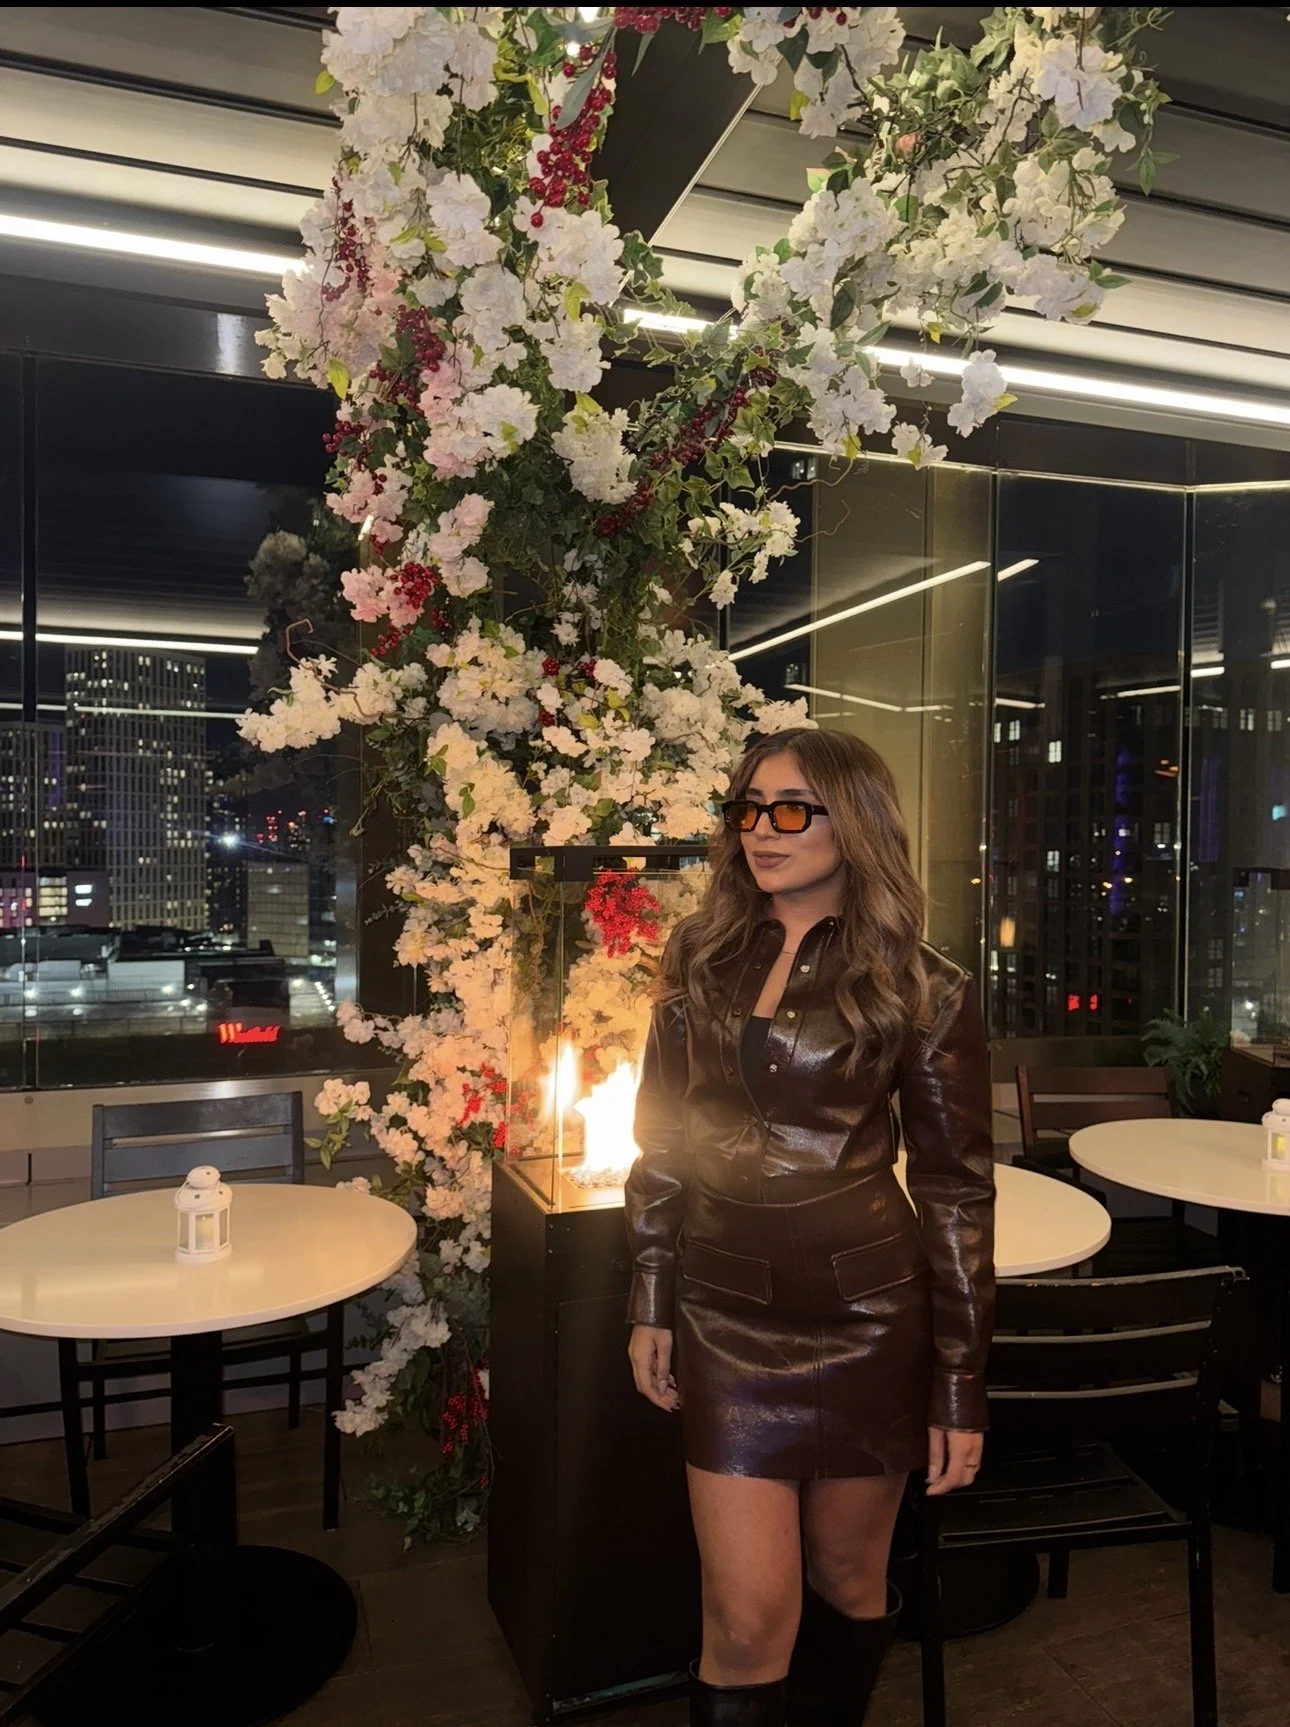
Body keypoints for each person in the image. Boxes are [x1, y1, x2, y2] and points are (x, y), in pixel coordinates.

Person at [624, 727, 995, 1727]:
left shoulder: (925, 986)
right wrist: (651, 1290)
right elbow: (662, 1138)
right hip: (724, 1313)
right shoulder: (701, 954)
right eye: (748, 808)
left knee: (848, 1576)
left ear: (855, 821)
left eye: (790, 808)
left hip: (867, 1319)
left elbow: (957, 1191)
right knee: (747, 1617)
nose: (762, 829)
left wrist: (958, 1380)